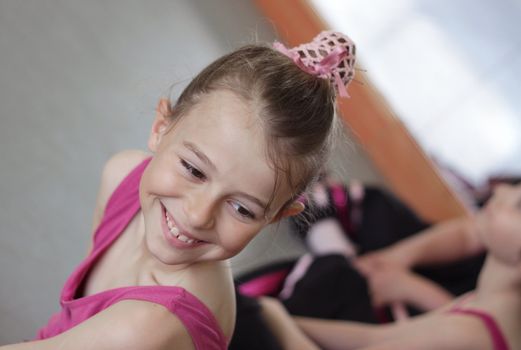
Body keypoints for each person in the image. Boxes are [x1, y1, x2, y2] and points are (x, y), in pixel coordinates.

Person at [0, 31, 357, 350]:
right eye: (193, 169)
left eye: (242, 209)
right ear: (160, 127)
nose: (199, 214)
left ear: (277, 216)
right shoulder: (121, 175)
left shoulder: (152, 326)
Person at [288, 183, 521, 349]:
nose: (500, 189)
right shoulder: (476, 303)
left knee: (328, 279)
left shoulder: (469, 332)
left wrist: (273, 326)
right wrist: (283, 322)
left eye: (518, 206)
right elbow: (375, 339)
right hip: (435, 285)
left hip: (416, 299)